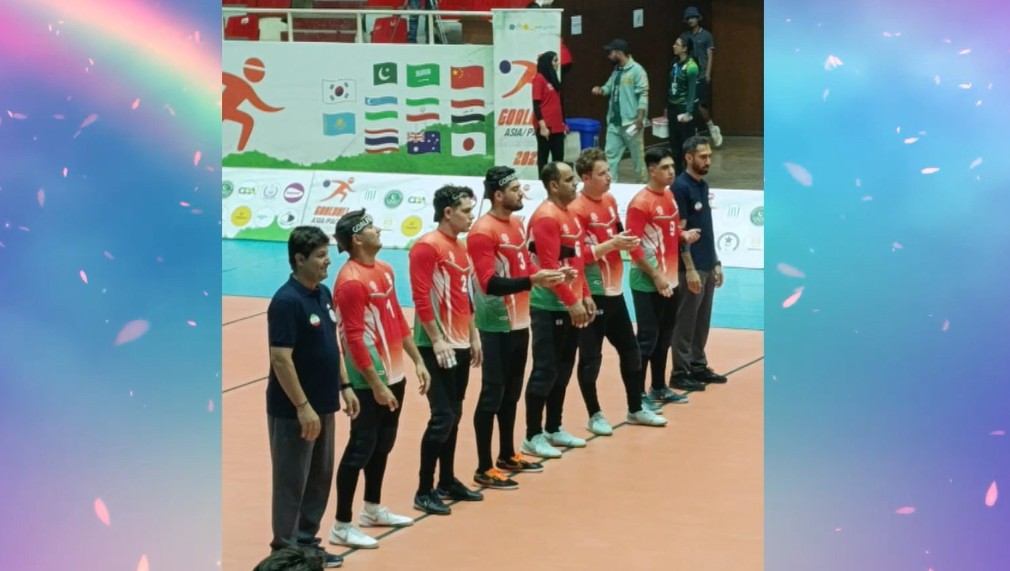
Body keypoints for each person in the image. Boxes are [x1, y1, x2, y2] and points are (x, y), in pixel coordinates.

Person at [328, 210, 429, 550]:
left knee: (383, 443)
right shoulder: (351, 282)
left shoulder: (385, 270)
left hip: (394, 371)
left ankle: (372, 508)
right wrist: (375, 384)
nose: (377, 229)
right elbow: (354, 339)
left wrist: (417, 360)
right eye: (370, 227)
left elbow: (397, 317)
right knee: (360, 447)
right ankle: (342, 524)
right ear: (357, 239)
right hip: (368, 380)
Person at [468, 166, 568, 490]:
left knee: (511, 393)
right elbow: (488, 283)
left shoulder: (516, 224)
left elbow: (524, 268)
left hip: (519, 322)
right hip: (495, 324)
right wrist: (532, 280)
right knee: (491, 395)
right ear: (498, 195)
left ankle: (507, 454)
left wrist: (550, 276)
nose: (520, 193)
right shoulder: (482, 231)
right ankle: (484, 466)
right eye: (514, 189)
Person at [265, 225, 350, 569]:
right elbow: (280, 358)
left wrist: (345, 386)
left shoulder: (322, 293)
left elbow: (332, 344)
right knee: (291, 481)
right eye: (320, 255)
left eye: (327, 254)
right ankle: (284, 552)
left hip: (325, 405)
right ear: (299, 259)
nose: (327, 261)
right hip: (294, 412)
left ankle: (307, 543)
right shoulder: (286, 302)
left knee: (319, 478)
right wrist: (302, 406)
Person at [568, 148, 669, 432]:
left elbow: (619, 233)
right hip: (593, 294)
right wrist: (612, 245)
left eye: (608, 171)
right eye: (602, 173)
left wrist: (624, 242)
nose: (609, 177)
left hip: (615, 293)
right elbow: (577, 256)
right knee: (591, 358)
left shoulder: (610, 201)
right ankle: (595, 415)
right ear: (586, 177)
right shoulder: (576, 209)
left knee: (631, 350)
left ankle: (635, 408)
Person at [410, 185, 485, 515]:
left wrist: (473, 335)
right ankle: (423, 489)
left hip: (460, 342)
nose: (471, 216)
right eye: (466, 211)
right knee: (442, 416)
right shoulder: (427, 247)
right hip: (435, 345)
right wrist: (437, 339)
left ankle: (447, 479)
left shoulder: (461, 247)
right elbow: (420, 296)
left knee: (454, 414)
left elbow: (465, 296)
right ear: (448, 212)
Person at [521, 161, 595, 459]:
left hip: (570, 304)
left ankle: (553, 427)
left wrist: (585, 294)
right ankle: (532, 435)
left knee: (563, 369)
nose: (575, 183)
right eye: (568, 179)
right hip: (548, 306)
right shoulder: (546, 218)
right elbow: (550, 268)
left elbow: (576, 262)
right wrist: (572, 301)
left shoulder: (571, 215)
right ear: (553, 185)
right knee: (545, 370)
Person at [625, 148, 703, 413]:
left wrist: (683, 236)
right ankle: (638, 393)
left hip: (670, 279)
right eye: (665, 168)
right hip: (647, 281)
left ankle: (658, 386)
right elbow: (634, 247)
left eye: (672, 167)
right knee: (647, 339)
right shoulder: (640, 203)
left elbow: (668, 232)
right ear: (652, 170)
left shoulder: (669, 196)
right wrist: (656, 276)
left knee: (665, 336)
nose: (671, 172)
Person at [669, 136, 729, 388]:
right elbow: (680, 233)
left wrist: (716, 261)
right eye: (703, 156)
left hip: (706, 263)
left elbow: (706, 228)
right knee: (686, 321)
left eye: (710, 156)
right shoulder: (679, 188)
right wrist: (690, 269)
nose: (708, 161)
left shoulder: (702, 185)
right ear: (688, 157)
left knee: (702, 320)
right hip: (690, 268)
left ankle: (697, 365)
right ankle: (680, 372)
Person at [591, 39, 649, 184]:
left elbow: (643, 95)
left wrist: (640, 119)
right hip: (614, 123)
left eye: (611, 52)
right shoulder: (616, 71)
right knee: (610, 158)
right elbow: (609, 87)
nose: (609, 56)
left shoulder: (637, 70)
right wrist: (601, 90)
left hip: (632, 123)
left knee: (638, 160)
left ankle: (642, 187)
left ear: (619, 53)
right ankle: (610, 188)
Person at [683, 6, 723, 147]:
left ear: (698, 18)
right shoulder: (685, 36)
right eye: (688, 18)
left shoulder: (706, 35)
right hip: (689, 75)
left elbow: (710, 55)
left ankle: (712, 128)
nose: (691, 20)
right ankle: (692, 134)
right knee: (689, 106)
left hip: (701, 75)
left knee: (701, 106)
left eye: (693, 17)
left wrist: (707, 73)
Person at [666, 33, 700, 176]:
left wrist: (689, 112)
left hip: (684, 108)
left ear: (685, 48)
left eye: (677, 44)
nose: (674, 46)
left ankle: (688, 174)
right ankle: (677, 174)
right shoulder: (674, 64)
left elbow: (692, 91)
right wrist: (667, 107)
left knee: (686, 144)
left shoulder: (691, 67)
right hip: (673, 107)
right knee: (674, 144)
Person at [532, 51, 567, 175]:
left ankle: (559, 183)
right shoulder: (539, 78)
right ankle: (543, 183)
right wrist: (542, 126)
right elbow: (536, 104)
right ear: (548, 62)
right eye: (555, 60)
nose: (558, 63)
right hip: (546, 127)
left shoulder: (553, 78)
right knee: (544, 160)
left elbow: (559, 104)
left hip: (558, 127)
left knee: (559, 160)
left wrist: (563, 123)